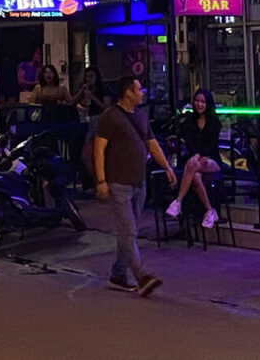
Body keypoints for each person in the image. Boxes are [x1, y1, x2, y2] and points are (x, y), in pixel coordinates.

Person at [93, 75, 178, 296]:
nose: (142, 92)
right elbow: (99, 149)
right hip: (118, 182)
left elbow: (152, 143)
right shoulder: (110, 118)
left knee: (128, 233)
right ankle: (141, 276)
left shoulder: (140, 116)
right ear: (128, 92)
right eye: (139, 89)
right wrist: (101, 180)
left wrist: (167, 167)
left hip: (139, 181)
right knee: (128, 231)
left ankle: (118, 274)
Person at [168, 89, 222, 229]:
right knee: (196, 176)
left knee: (193, 164)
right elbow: (189, 143)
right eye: (197, 101)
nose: (199, 104)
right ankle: (210, 210)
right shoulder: (189, 122)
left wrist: (200, 155)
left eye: (203, 102)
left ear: (207, 103)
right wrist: (196, 155)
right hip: (195, 160)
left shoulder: (214, 122)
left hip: (211, 159)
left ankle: (178, 200)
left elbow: (212, 144)